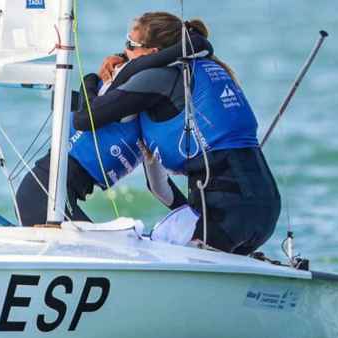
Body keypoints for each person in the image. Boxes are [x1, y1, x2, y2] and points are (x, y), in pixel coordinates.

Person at [73, 12, 281, 255]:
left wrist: (90, 80)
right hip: (259, 208)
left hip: (227, 211)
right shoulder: (204, 69)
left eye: (130, 45)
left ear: (152, 53)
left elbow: (85, 118)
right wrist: (190, 212)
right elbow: (161, 190)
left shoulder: (159, 79)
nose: (123, 51)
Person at [15, 33, 212, 226]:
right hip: (43, 195)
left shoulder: (149, 116)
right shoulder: (124, 88)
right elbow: (195, 44)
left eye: (130, 45)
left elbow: (158, 187)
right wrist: (91, 78)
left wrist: (199, 222)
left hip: (52, 196)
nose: (125, 50)